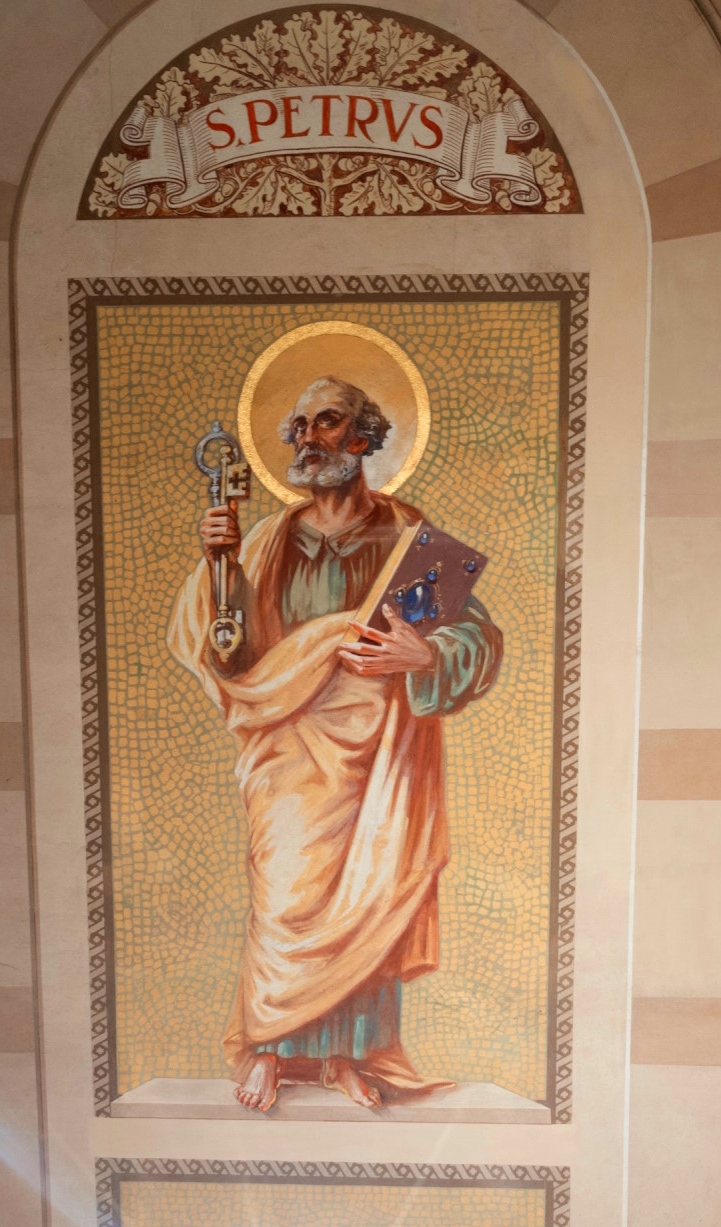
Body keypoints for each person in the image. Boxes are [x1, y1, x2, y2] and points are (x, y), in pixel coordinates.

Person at [167, 376, 503, 1112]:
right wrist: (220, 570)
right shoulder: (267, 540)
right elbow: (229, 654)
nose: (307, 438)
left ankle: (350, 1056)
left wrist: (426, 654)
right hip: (288, 746)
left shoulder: (404, 536)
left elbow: (477, 638)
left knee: (370, 892)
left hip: (380, 749)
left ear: (362, 436)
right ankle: (269, 1050)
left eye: (325, 422)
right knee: (285, 889)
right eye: (297, 427)